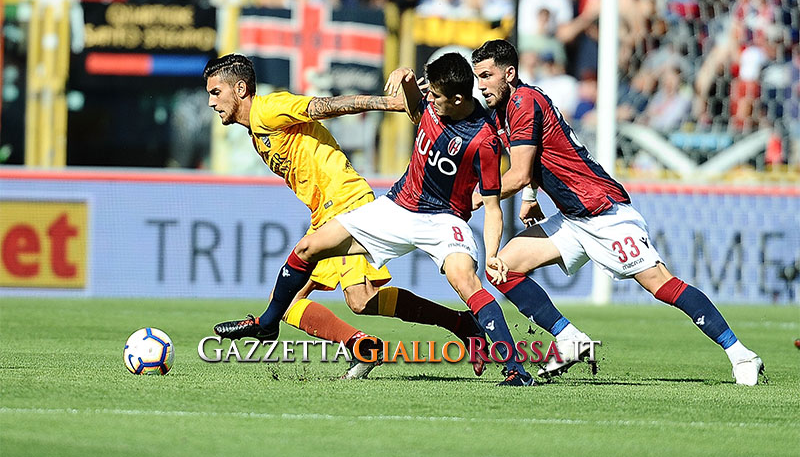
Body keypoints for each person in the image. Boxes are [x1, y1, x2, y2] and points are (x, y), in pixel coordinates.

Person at [215, 52, 534, 386]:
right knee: (353, 293)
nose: (212, 102)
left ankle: (512, 366)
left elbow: (494, 205)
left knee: (464, 282)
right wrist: (407, 81)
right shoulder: (432, 106)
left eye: (215, 92)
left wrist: (494, 252)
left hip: (406, 212)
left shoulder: (482, 140)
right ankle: (364, 340)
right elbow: (415, 104)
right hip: (394, 206)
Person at [470, 39, 764, 386]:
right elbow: (533, 159)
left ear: (510, 73)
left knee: (661, 284)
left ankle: (740, 353)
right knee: (504, 269)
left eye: (487, 75)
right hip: (574, 219)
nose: (481, 85)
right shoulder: (509, 107)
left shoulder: (523, 101)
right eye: (477, 77)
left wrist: (478, 196)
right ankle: (570, 339)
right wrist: (531, 196)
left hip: (603, 211)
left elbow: (517, 172)